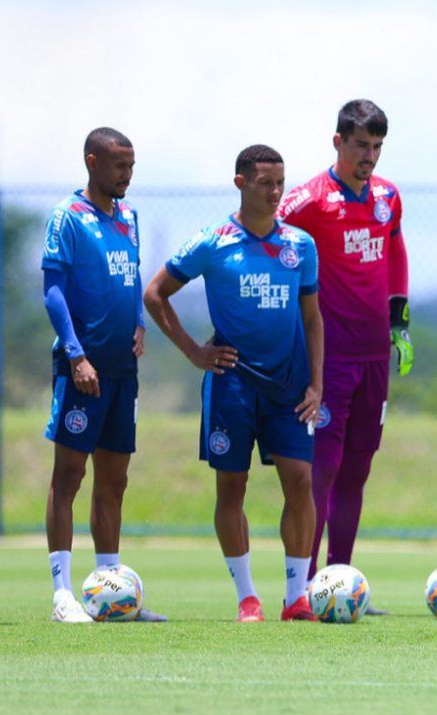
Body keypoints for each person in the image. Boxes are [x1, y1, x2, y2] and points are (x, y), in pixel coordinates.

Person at [143, 144, 323, 622]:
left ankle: (296, 596)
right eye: (265, 182)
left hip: (290, 387)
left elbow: (313, 319)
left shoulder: (300, 245)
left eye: (280, 182)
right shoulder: (212, 241)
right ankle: (247, 598)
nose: (275, 191)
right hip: (231, 386)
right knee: (232, 488)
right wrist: (193, 352)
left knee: (301, 482)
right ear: (241, 182)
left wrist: (317, 385)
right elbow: (155, 293)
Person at [277, 99, 410, 611]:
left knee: (357, 469)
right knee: (323, 469)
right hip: (327, 359)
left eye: (377, 147)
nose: (369, 157)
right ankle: (303, 586)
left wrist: (399, 325)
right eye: (360, 146)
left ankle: (341, 581)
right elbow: (267, 234)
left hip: (374, 355)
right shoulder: (308, 200)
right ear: (338, 142)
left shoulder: (388, 198)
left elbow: (396, 255)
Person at [41, 127, 166, 623]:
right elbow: (53, 291)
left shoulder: (128, 216)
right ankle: (62, 594)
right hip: (82, 369)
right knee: (69, 476)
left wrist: (138, 323)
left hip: (121, 370)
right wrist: (75, 355)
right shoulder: (66, 218)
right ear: (92, 162)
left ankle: (112, 592)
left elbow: (131, 276)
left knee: (115, 481)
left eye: (132, 166)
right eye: (119, 166)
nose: (127, 175)